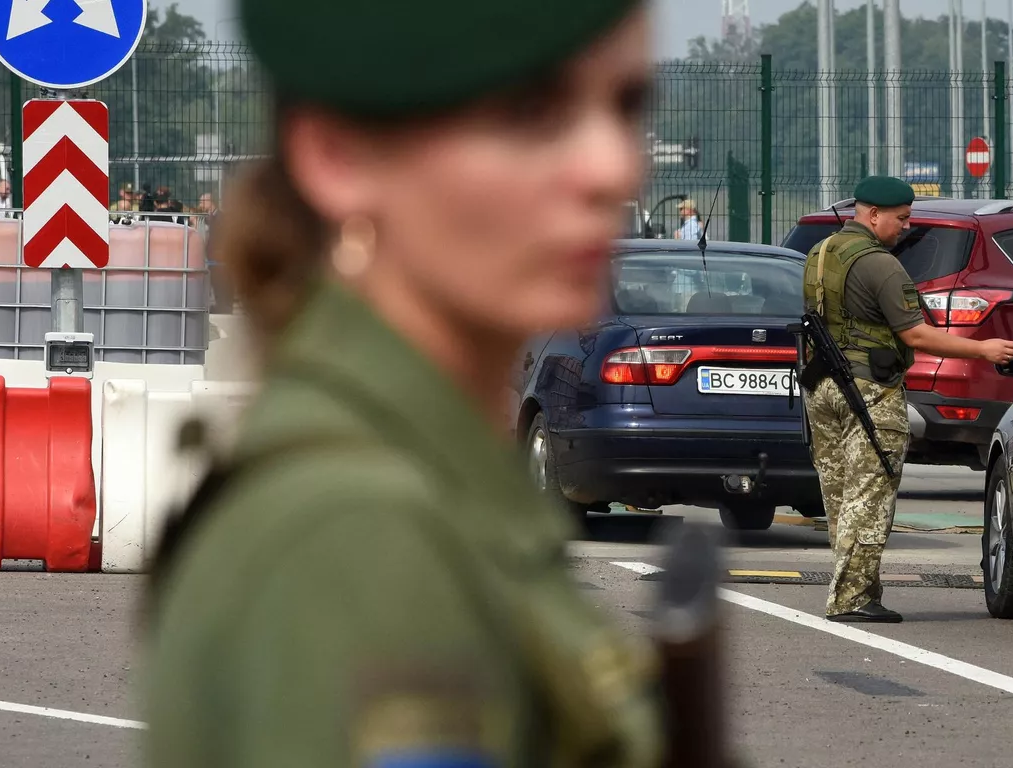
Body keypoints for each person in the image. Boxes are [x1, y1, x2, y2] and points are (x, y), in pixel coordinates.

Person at [140, 1, 665, 766]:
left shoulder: (429, 471)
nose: (614, 167)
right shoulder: (358, 531)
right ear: (338, 155)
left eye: (626, 106)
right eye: (529, 109)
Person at [802, 175, 1013, 623]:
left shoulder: (818, 253)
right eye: (900, 219)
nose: (905, 227)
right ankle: (852, 599)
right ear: (873, 215)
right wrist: (984, 349)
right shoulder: (880, 264)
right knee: (870, 492)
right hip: (867, 391)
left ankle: (858, 589)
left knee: (841, 497)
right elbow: (915, 333)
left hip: (822, 388)